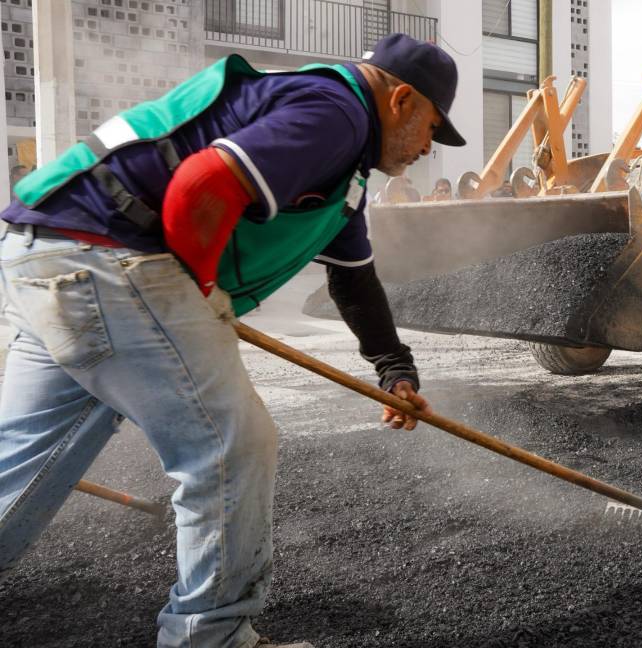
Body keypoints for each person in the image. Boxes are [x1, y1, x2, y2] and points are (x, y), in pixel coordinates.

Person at [0, 33, 464, 648]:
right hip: (112, 256)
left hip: (48, 253)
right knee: (230, 447)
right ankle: (211, 638)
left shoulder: (343, 170)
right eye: (433, 127)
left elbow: (355, 279)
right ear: (401, 99)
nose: (429, 148)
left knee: (31, 455)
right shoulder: (337, 111)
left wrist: (394, 370)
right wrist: (203, 295)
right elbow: (202, 183)